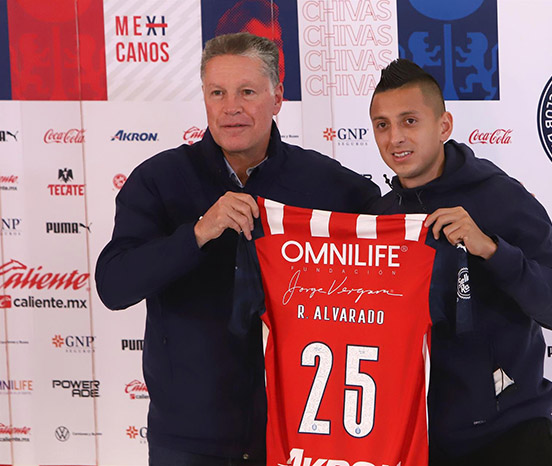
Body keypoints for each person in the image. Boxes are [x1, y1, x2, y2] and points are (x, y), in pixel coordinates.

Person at [95, 33, 379, 466]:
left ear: (277, 97)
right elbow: (114, 285)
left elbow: (398, 234)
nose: (231, 107)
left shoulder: (326, 182)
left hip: (299, 434)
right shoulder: (159, 179)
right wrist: (198, 233)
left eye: (247, 92)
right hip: (188, 440)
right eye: (218, 93)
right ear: (204, 98)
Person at [368, 58, 552, 466]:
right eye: (382, 125)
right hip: (417, 443)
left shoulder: (502, 197)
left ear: (444, 126)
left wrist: (491, 250)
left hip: (511, 438)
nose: (395, 138)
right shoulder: (379, 217)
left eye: (409, 121)